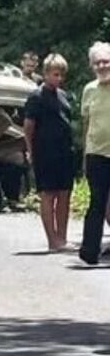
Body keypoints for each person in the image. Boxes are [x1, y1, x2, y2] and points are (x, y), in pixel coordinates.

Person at [22, 53, 74, 252]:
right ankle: (52, 240)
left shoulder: (63, 96)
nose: (58, 78)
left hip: (64, 151)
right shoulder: (36, 97)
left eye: (61, 75)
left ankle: (62, 237)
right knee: (48, 194)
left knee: (64, 194)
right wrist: (30, 150)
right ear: (45, 74)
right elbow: (28, 126)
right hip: (45, 152)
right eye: (55, 74)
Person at [78, 41, 110, 264]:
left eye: (106, 61)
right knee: (96, 202)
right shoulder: (89, 90)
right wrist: (84, 155)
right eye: (97, 63)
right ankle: (90, 251)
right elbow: (87, 124)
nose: (102, 66)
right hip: (96, 153)